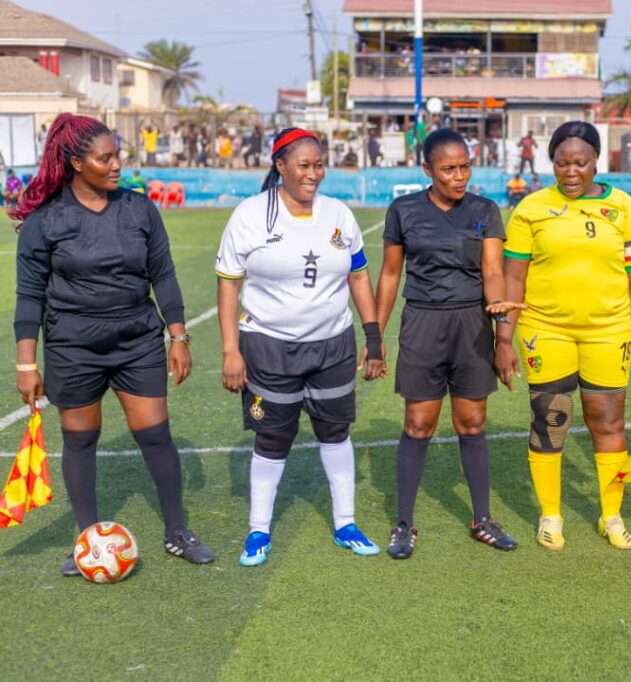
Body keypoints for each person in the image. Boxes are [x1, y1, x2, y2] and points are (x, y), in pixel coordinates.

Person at [11, 113, 214, 576]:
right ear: (76, 163)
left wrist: (178, 336)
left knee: (155, 434)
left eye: (118, 155)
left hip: (137, 340)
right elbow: (29, 296)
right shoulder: (46, 221)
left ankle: (177, 532)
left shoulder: (139, 209)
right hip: (73, 347)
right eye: (105, 158)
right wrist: (26, 364)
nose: (117, 164)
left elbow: (163, 274)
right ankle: (87, 541)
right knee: (80, 440)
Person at [216, 127, 384, 566]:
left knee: (335, 431)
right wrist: (231, 350)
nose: (314, 174)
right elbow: (228, 285)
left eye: (319, 164)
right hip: (268, 346)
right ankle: (258, 530)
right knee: (273, 436)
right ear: (280, 166)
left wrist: (373, 337)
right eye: (304, 165)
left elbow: (358, 275)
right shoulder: (251, 215)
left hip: (333, 344)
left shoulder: (338, 214)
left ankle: (345, 523)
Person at [498, 121, 631, 551]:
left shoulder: (623, 206)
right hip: (544, 329)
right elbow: (513, 278)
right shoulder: (531, 208)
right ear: (551, 163)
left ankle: (611, 515)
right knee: (550, 419)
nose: (571, 172)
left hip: (609, 330)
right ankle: (550, 516)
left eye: (580, 163)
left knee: (607, 421)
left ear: (596, 162)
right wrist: (503, 339)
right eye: (561, 163)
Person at [375, 128, 522, 559]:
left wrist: (498, 310)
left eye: (465, 167)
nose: (459, 177)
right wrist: (374, 335)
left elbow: (492, 269)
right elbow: (390, 275)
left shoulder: (485, 210)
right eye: (448, 169)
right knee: (418, 423)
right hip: (422, 323)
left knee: (472, 422)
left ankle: (482, 520)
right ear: (427, 170)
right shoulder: (403, 210)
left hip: (472, 325)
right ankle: (404, 524)